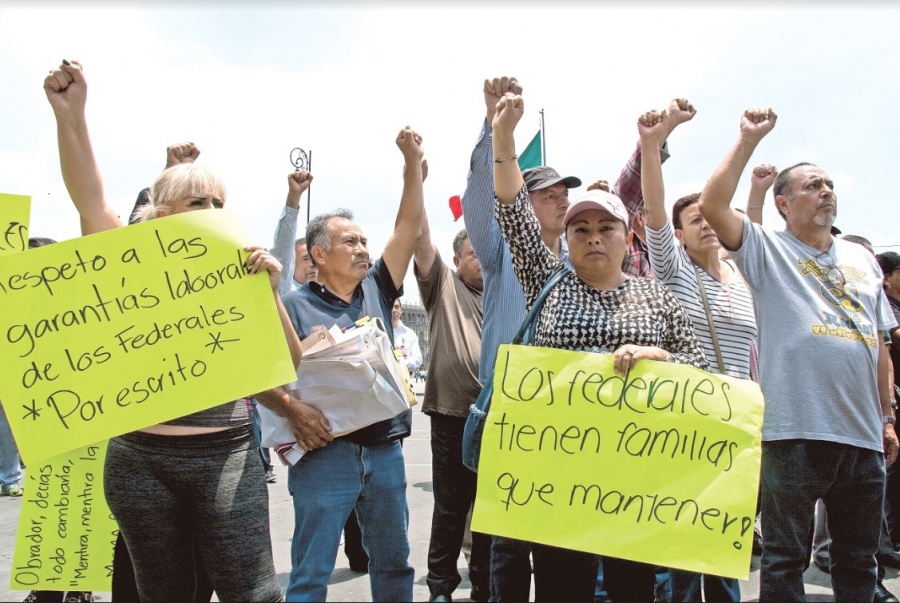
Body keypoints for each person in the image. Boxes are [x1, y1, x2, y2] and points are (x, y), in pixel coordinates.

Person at [44, 59, 301, 602]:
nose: (211, 210)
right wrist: (72, 116)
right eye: (196, 202)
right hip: (140, 459)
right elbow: (90, 199)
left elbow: (290, 365)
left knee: (253, 590)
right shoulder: (129, 262)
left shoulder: (245, 269)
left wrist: (270, 295)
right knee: (161, 592)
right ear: (161, 216)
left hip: (226, 452)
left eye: (218, 203)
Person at [491, 89, 708, 602]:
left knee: (634, 588)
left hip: (635, 478)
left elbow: (700, 374)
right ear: (565, 240)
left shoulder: (656, 297)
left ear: (625, 235)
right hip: (557, 475)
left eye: (605, 227)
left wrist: (659, 358)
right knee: (561, 586)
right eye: (581, 228)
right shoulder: (547, 279)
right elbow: (510, 209)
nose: (593, 237)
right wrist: (504, 134)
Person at [698, 107, 899, 602]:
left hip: (861, 438)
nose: (826, 190)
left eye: (829, 183)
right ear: (783, 205)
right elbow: (713, 203)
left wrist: (887, 417)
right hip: (793, 435)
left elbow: (878, 345)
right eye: (812, 185)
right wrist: (747, 140)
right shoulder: (766, 249)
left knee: (858, 560)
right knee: (786, 561)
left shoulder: (862, 261)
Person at [254, 126, 425, 602]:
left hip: (385, 451)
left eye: (364, 241)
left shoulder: (378, 286)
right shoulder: (291, 305)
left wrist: (412, 165)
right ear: (319, 254)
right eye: (349, 242)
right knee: (311, 572)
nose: (363, 249)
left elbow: (408, 228)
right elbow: (257, 376)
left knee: (394, 564)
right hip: (323, 455)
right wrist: (291, 407)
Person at [638, 105, 757, 603]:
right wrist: (651, 145)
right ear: (680, 235)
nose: (708, 224)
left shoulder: (747, 277)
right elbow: (655, 208)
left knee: (725, 545)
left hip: (737, 424)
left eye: (712, 216)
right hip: (687, 425)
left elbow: (750, 223)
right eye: (696, 219)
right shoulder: (676, 271)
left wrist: (757, 188)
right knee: (685, 544)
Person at [414, 209, 490, 602]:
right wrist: (414, 174)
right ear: (456, 260)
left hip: (499, 421)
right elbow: (420, 236)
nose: (483, 260)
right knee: (451, 510)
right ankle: (441, 587)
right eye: (474, 253)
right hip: (452, 417)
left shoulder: (503, 294)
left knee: (491, 511)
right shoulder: (442, 285)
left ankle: (483, 585)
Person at [391, 299, 424, 373]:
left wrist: (400, 363)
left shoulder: (410, 334)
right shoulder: (379, 331)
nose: (393, 310)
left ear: (401, 310)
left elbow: (418, 359)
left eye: (396, 307)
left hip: (403, 379)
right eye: (391, 307)